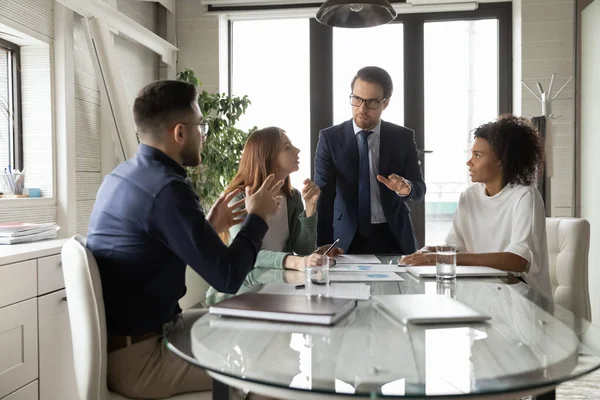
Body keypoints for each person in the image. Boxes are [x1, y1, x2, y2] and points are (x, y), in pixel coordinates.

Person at [86, 80, 283, 399]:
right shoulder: (168, 190)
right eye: (201, 125)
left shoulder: (122, 176)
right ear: (180, 133)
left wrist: (206, 227)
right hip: (142, 360)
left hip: (139, 340)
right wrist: (257, 217)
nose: (203, 135)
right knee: (265, 370)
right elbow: (229, 278)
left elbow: (150, 251)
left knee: (257, 325)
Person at [401, 115, 552, 300]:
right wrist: (430, 251)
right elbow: (455, 247)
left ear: (501, 161)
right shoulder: (469, 196)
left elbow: (517, 261)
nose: (469, 162)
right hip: (487, 295)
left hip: (524, 302)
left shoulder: (525, 196)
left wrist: (441, 258)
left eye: (477, 155)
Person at [314, 66, 426, 255]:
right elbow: (323, 198)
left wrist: (405, 189)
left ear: (386, 102)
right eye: (356, 99)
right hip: (345, 237)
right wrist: (322, 245)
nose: (362, 109)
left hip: (394, 235)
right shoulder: (330, 139)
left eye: (372, 102)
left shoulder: (403, 138)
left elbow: (419, 190)